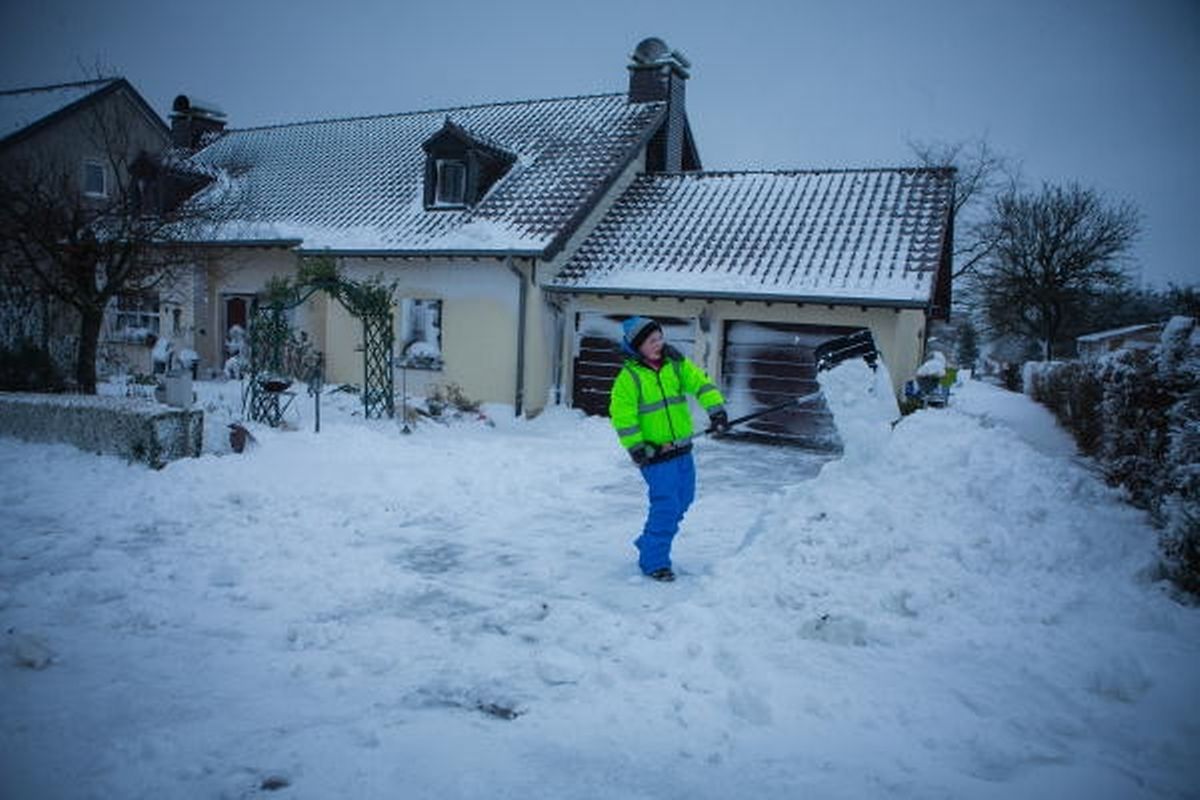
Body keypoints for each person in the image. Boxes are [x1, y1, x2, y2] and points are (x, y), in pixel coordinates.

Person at [609, 316, 729, 582]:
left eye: (660, 338)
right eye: (652, 341)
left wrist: (716, 410)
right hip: (656, 455)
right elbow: (623, 417)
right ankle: (654, 562)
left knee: (683, 500)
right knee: (666, 506)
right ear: (638, 346)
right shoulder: (629, 379)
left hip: (682, 449)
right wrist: (637, 448)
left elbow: (700, 383)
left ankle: (649, 541)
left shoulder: (675, 364)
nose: (659, 344)